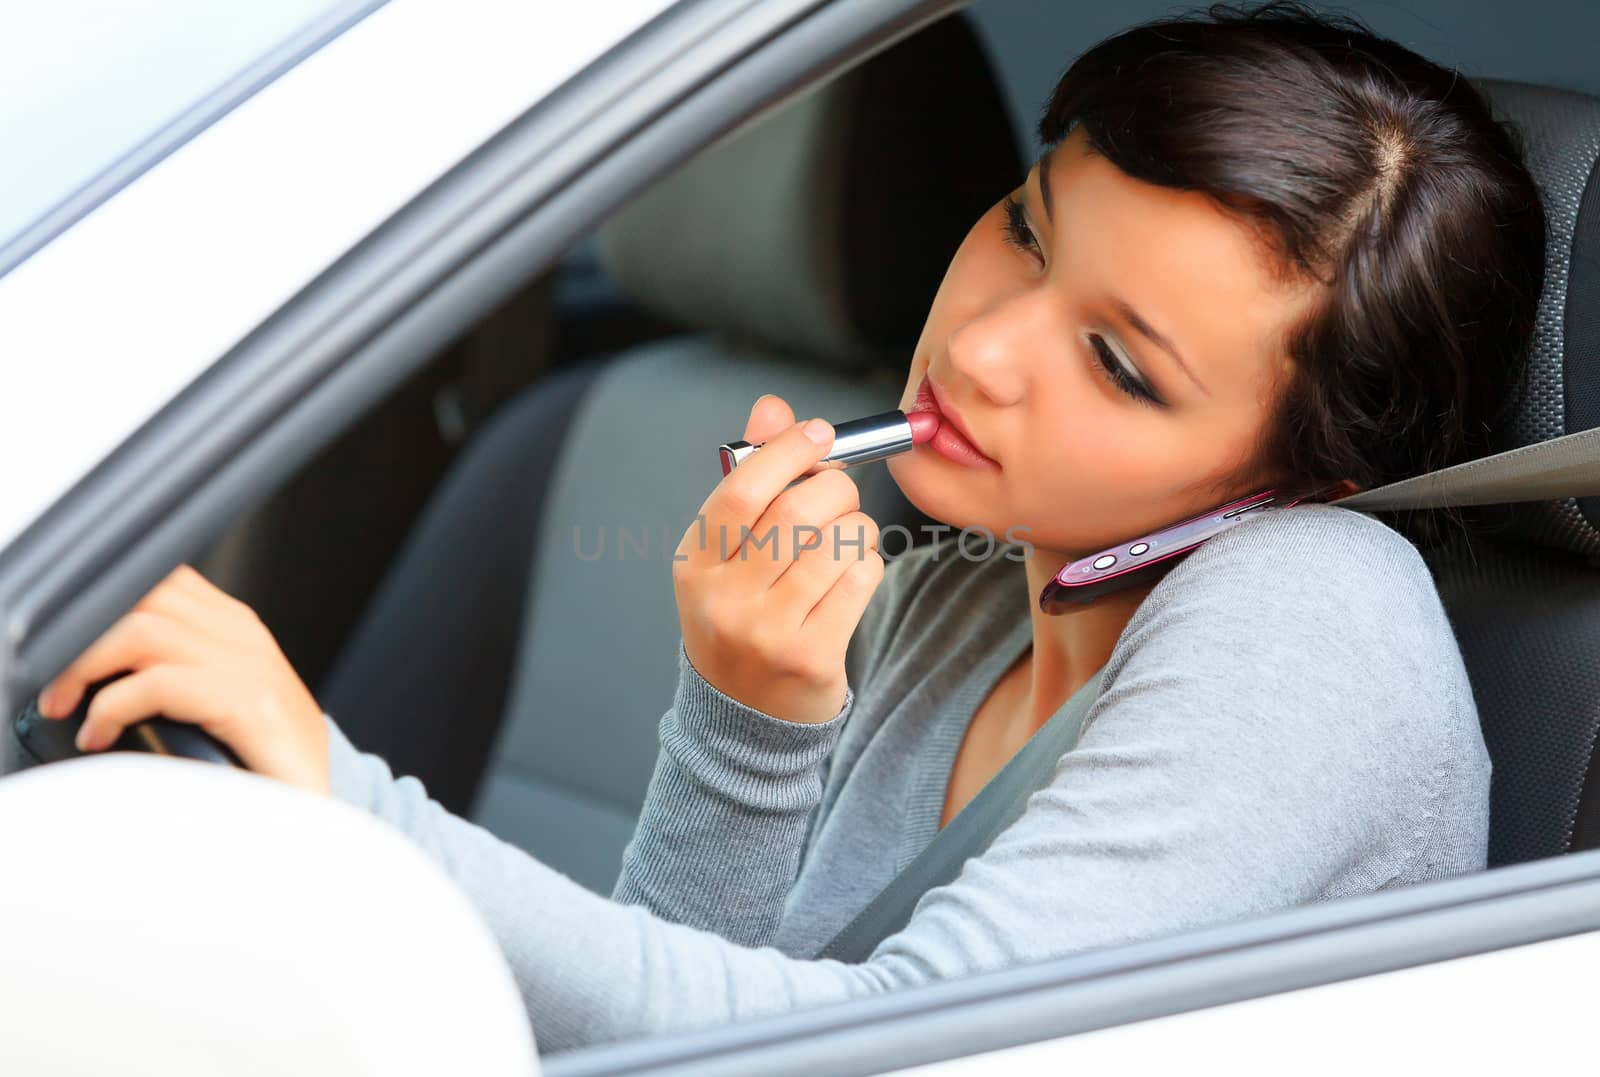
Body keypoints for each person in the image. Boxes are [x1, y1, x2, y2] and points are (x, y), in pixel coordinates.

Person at [35, 2, 1546, 1054]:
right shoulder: (961, 590)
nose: (989, 345)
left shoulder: (1321, 608)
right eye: (1028, 227)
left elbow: (891, 1046)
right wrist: (750, 718)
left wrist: (331, 795)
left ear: (1297, 478)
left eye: (1118, 364)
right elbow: (695, 1031)